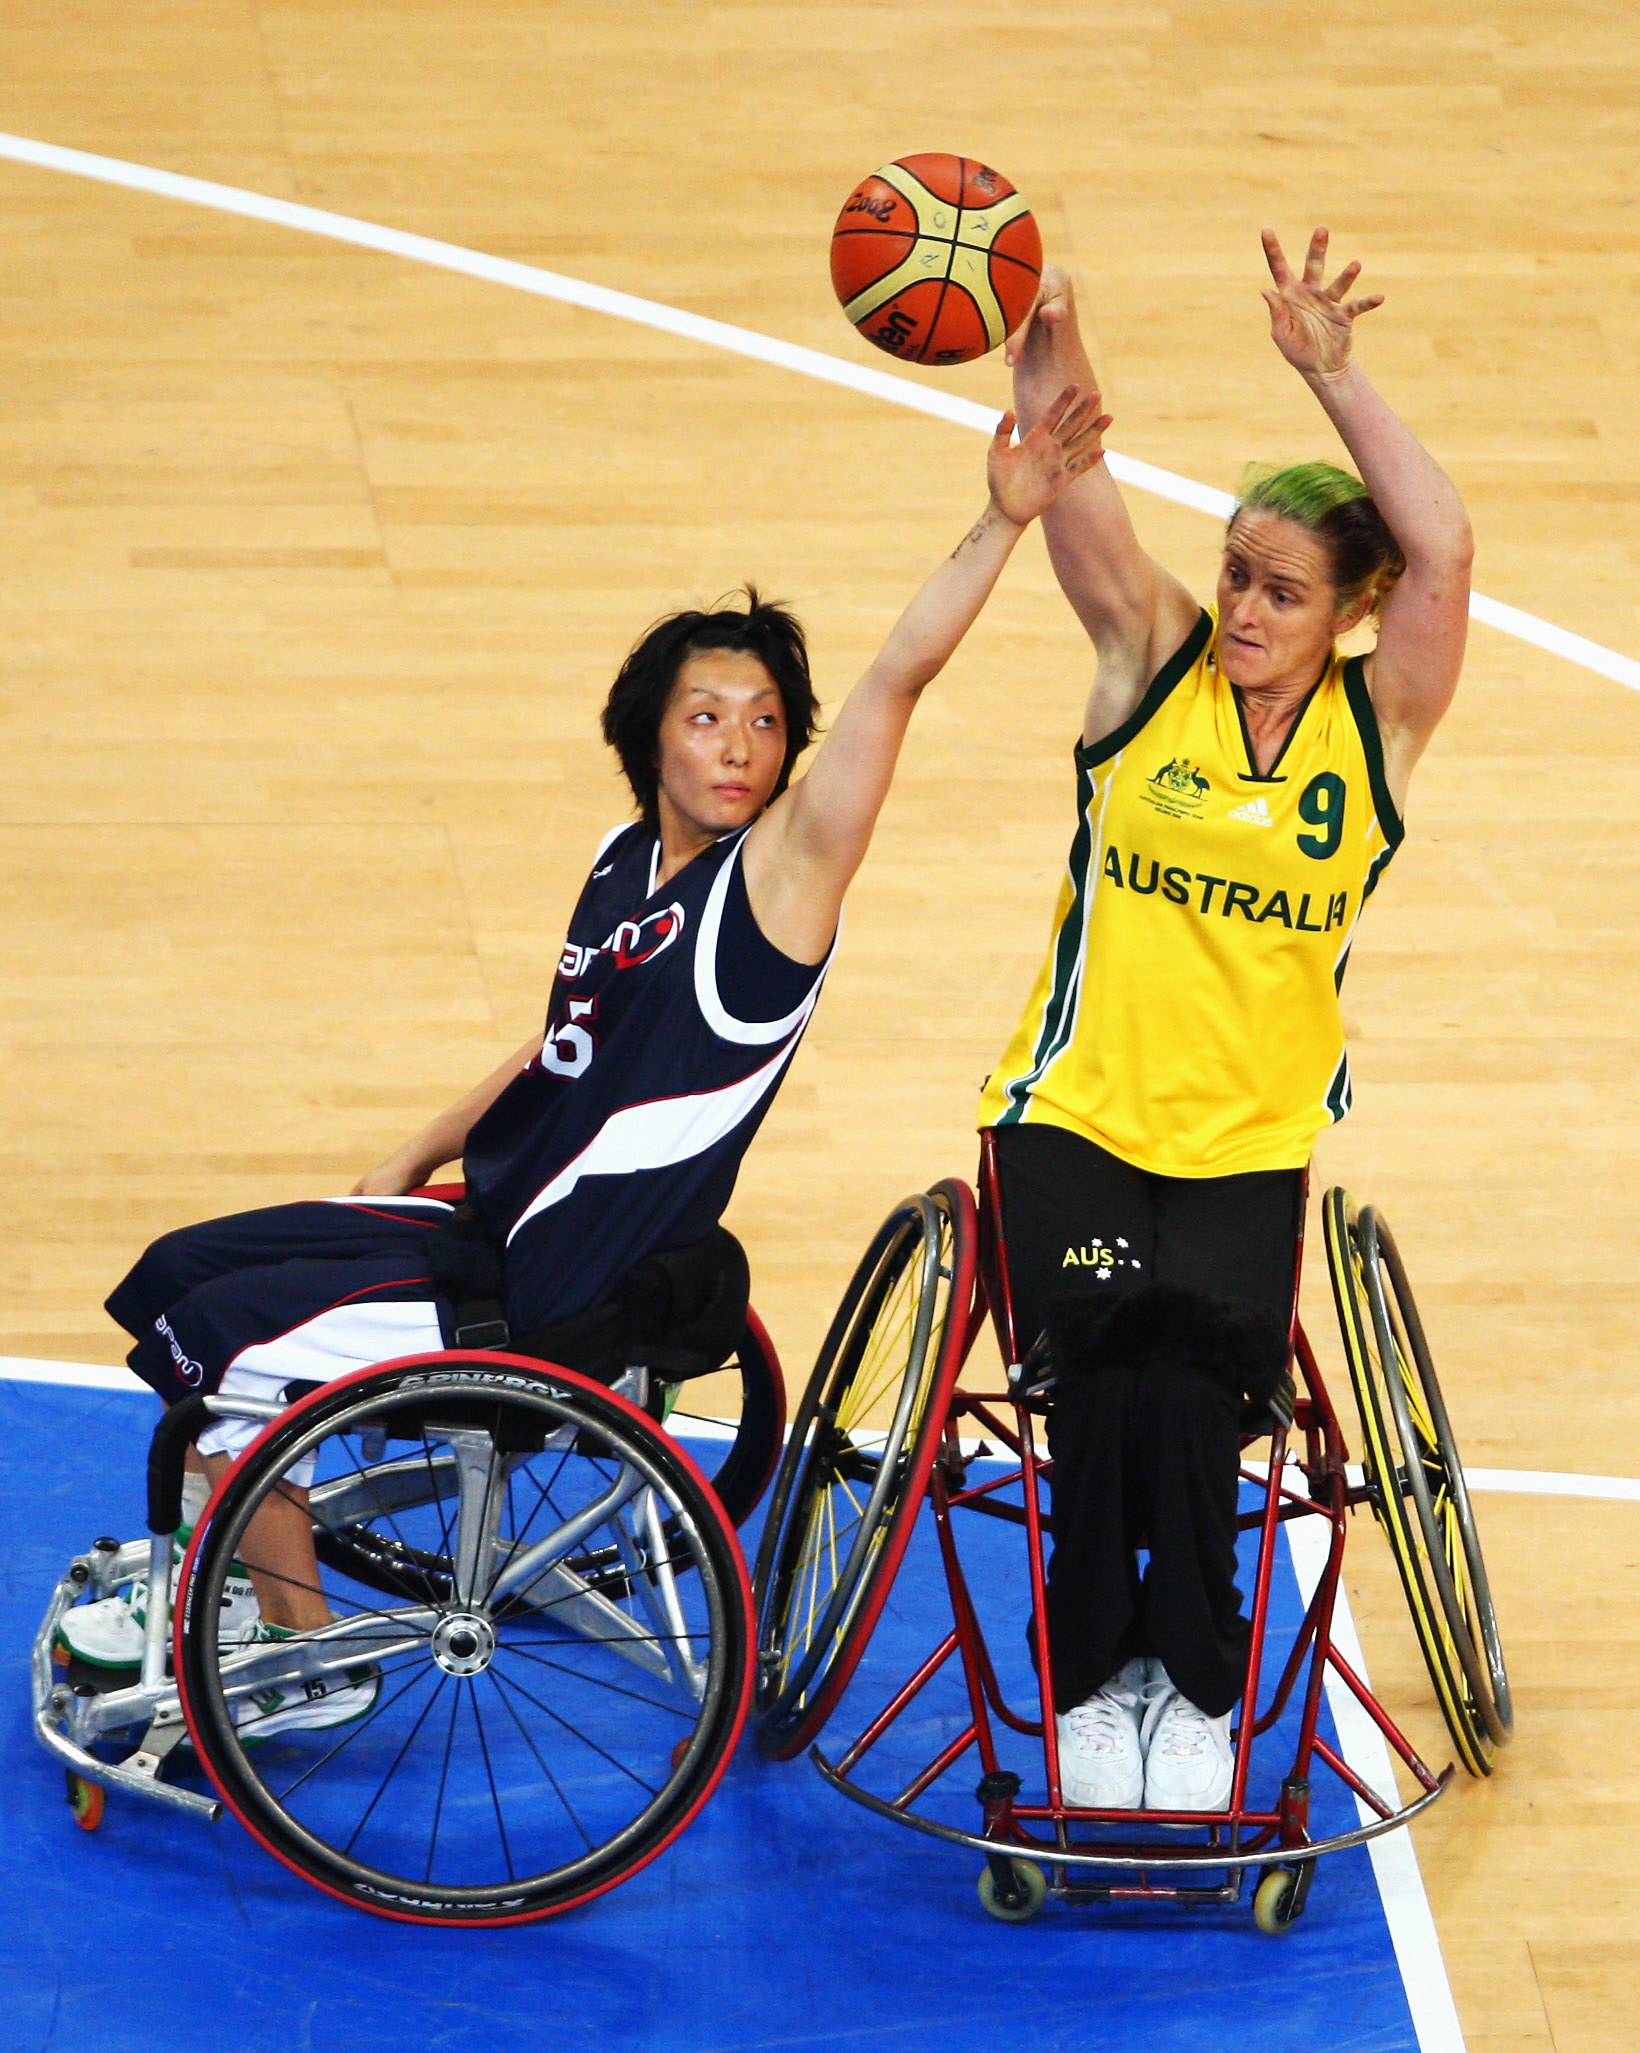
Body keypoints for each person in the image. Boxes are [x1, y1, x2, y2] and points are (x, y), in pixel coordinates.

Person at [60, 383, 1106, 1733]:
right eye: (707, 715)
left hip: (555, 1296)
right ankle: (260, 1588)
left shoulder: (776, 889)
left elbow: (895, 680)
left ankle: (300, 1657)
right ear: (649, 732)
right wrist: (423, 1147)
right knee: (178, 1273)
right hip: (482, 1224)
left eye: (766, 721)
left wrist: (1000, 519)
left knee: (223, 1356)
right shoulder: (625, 866)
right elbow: (558, 1041)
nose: (742, 743)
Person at [979, 229, 1473, 1812]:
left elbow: (1448, 552)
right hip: (1070, 1120)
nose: (1246, 607)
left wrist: (1330, 373)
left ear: (1348, 608)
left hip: (1248, 1147)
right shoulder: (1150, 662)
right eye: (1239, 576)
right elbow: (1069, 477)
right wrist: (1041, 322)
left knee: (1194, 1394)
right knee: (1100, 1371)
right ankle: (1100, 1676)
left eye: (1282, 589)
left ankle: (1184, 1688)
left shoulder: (1375, 728)